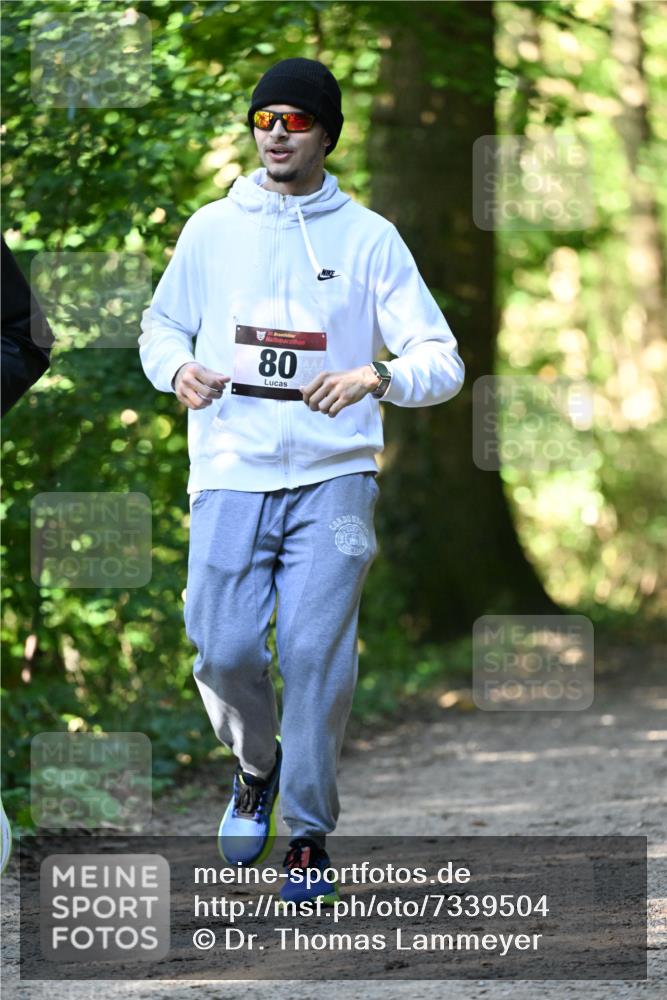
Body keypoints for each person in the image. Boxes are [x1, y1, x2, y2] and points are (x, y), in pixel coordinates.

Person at [139, 57, 464, 904]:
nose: (277, 132)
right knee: (223, 646)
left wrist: (376, 377)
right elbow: (163, 324)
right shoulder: (212, 229)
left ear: (326, 134)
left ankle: (309, 835)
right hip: (228, 470)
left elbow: (442, 358)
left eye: (295, 120)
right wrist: (175, 368)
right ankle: (256, 767)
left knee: (317, 653)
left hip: (337, 479)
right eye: (264, 119)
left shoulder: (368, 237)